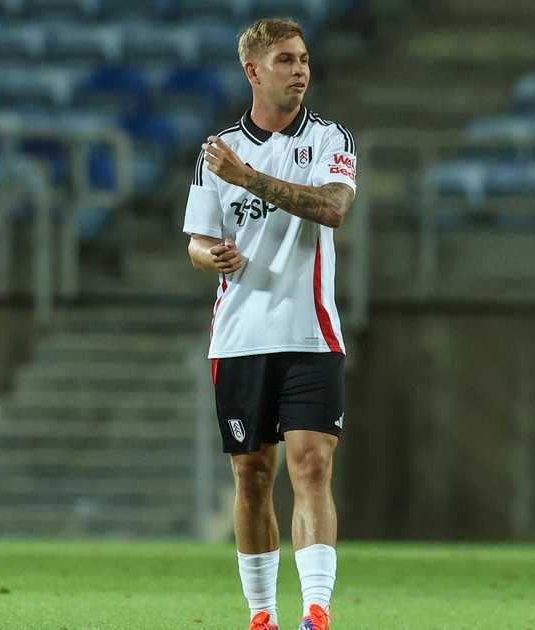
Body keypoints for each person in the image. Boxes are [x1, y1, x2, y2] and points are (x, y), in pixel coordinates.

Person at [182, 17, 357, 630]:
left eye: (304, 59)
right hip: (240, 335)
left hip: (311, 331)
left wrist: (250, 179)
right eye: (286, 60)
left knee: (312, 464)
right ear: (253, 71)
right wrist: (213, 256)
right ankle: (262, 616)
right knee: (252, 474)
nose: (301, 70)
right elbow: (199, 241)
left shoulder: (331, 139)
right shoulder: (216, 153)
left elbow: (333, 208)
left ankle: (315, 611)